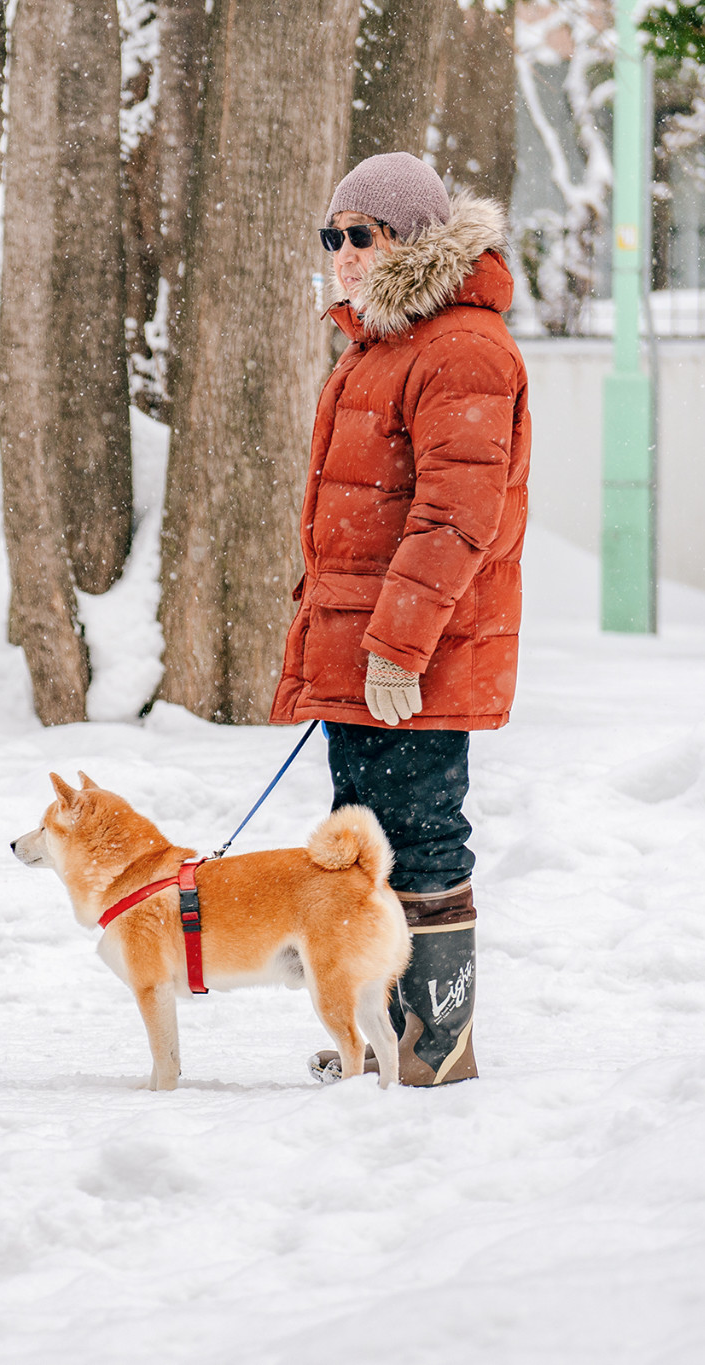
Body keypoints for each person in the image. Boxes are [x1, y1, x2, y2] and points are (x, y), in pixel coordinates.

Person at [271, 151, 531, 1087]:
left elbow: (457, 517)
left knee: (419, 837)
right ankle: (381, 1036)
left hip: (419, 656)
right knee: (364, 845)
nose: (341, 253)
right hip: (368, 648)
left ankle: (437, 1047)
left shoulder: (461, 348)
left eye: (361, 236)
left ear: (414, 240)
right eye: (331, 236)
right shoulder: (382, 346)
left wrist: (394, 647)